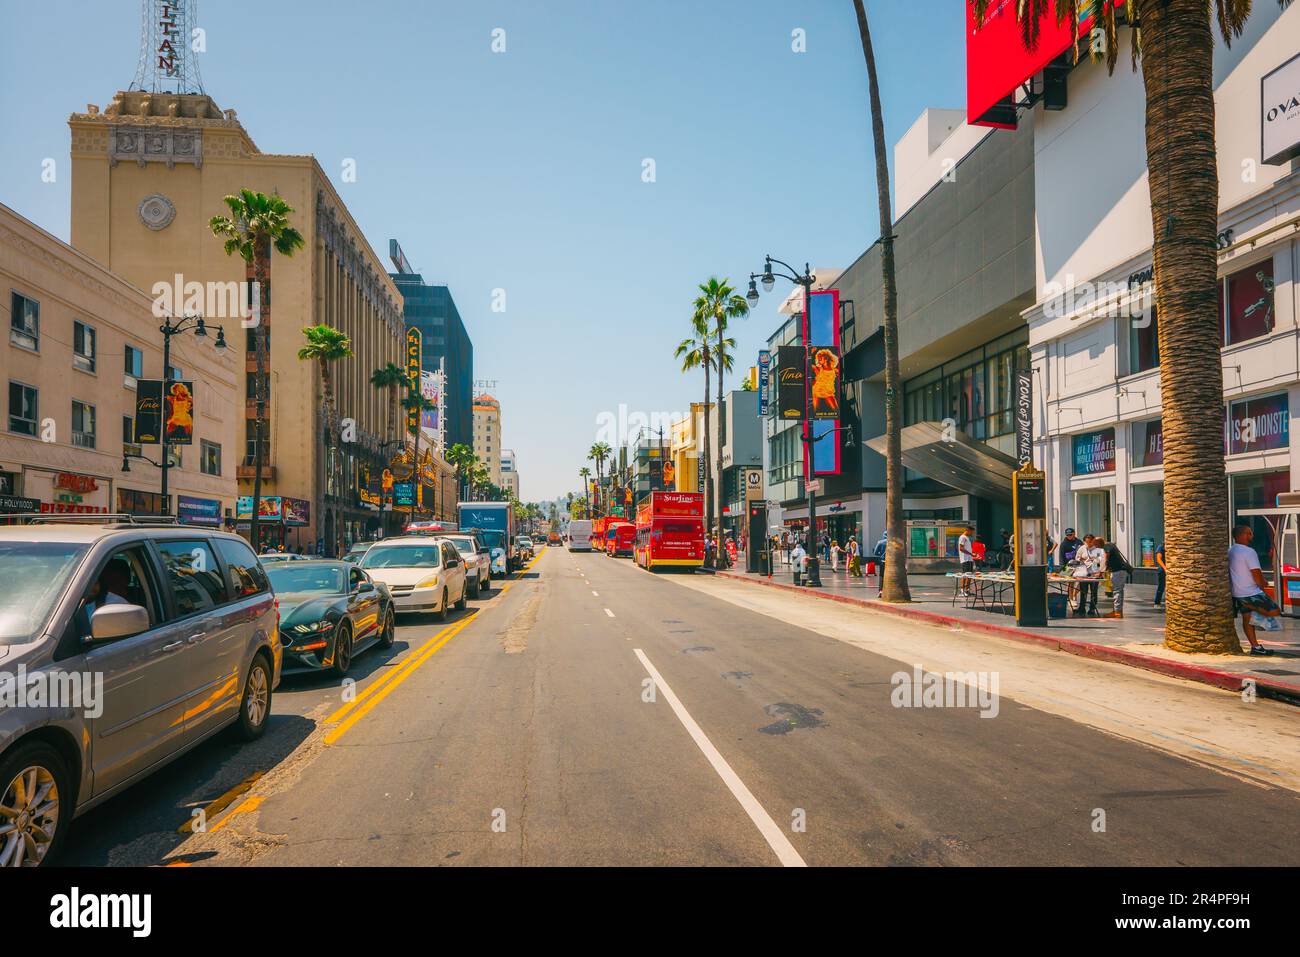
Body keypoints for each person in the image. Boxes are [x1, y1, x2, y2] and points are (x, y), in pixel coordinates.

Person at [1228, 524, 1278, 655]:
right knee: (1275, 610)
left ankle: (1255, 647)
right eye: (1249, 533)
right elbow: (1255, 572)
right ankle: (1258, 617)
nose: (1252, 536)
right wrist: (1263, 583)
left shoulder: (1231, 550)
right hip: (1251, 592)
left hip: (1237, 592)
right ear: (1242, 535)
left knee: (1247, 619)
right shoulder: (1249, 552)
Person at [1094, 534, 1133, 619]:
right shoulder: (1111, 545)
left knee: (1117, 591)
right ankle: (1117, 610)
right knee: (1118, 591)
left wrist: (1101, 571)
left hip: (1118, 571)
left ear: (1099, 542)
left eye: (1096, 545)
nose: (1096, 547)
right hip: (1119, 571)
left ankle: (1117, 612)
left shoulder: (1106, 546)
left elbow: (1106, 558)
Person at [1074, 534, 1100, 616]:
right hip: (1084, 572)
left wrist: (1095, 560)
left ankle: (1092, 608)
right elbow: (1077, 558)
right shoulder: (1082, 548)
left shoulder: (1097, 549)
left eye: (1090, 542)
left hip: (1094, 572)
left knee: (1094, 591)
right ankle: (1082, 608)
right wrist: (1080, 559)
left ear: (1093, 541)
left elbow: (1101, 559)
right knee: (1083, 591)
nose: (1088, 543)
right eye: (1086, 542)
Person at [957, 524, 976, 598]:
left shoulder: (966, 538)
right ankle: (962, 590)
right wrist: (971, 554)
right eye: (971, 532)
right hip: (965, 559)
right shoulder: (963, 537)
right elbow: (961, 548)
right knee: (965, 575)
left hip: (969, 559)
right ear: (968, 530)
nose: (972, 533)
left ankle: (967, 590)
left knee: (969, 575)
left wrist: (972, 554)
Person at [1153, 542, 1166, 608]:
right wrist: (1165, 568)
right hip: (1162, 570)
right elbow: (1158, 559)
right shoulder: (1161, 546)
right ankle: (1157, 602)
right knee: (1161, 587)